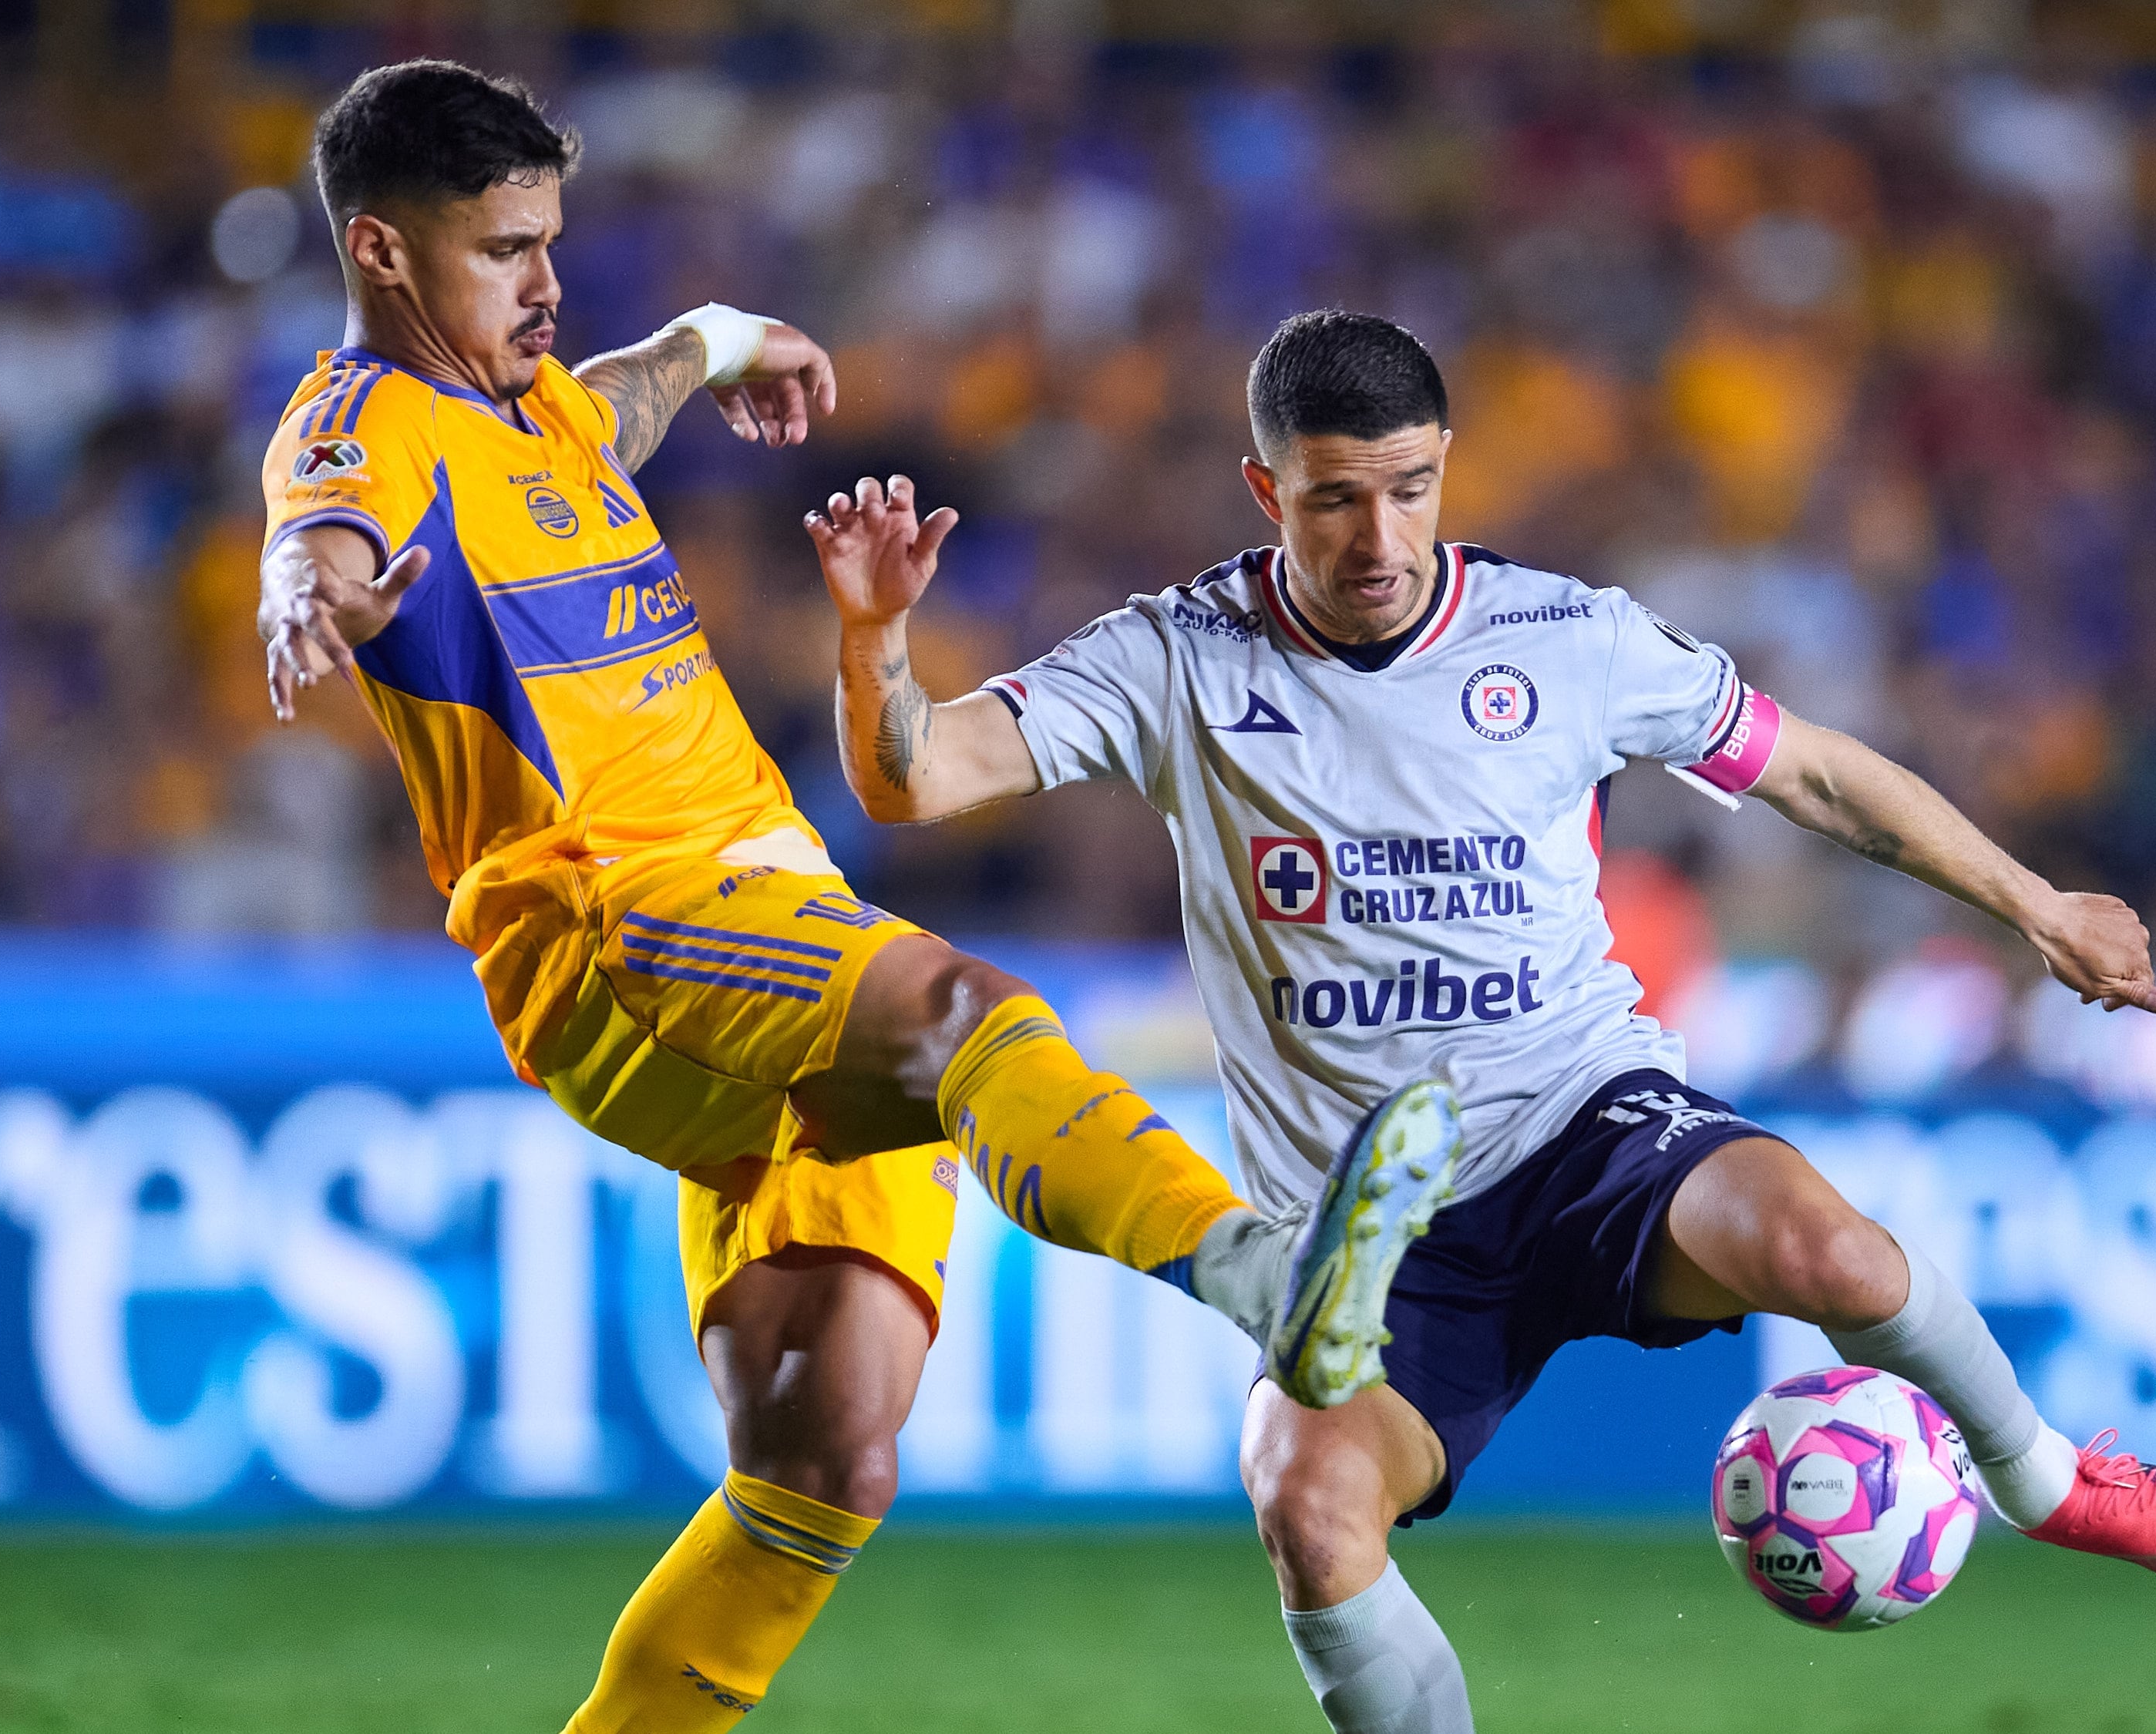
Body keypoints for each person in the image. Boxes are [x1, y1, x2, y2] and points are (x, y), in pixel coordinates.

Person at [816, 309, 2156, 1734]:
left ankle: (2049, 1482)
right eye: (1334, 501)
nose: (1380, 540)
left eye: (1410, 489)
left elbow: (1812, 774)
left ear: (1447, 464)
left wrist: (2034, 903)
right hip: (1372, 1239)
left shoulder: (1566, 638)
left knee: (1826, 1248)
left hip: (1589, 1123)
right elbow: (918, 776)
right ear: (1267, 491)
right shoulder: (1178, 657)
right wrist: (877, 636)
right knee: (1308, 1510)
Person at [254, 67, 1459, 1734]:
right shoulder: (361, 428)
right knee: (969, 1011)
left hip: (757, 932)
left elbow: (637, 381)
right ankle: (1257, 1274)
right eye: (504, 249)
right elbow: (320, 517)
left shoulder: (540, 410)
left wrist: (738, 333)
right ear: (382, 253)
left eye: (550, 240)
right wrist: (297, 588)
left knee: (827, 1454)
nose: (542, 283)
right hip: (623, 922)